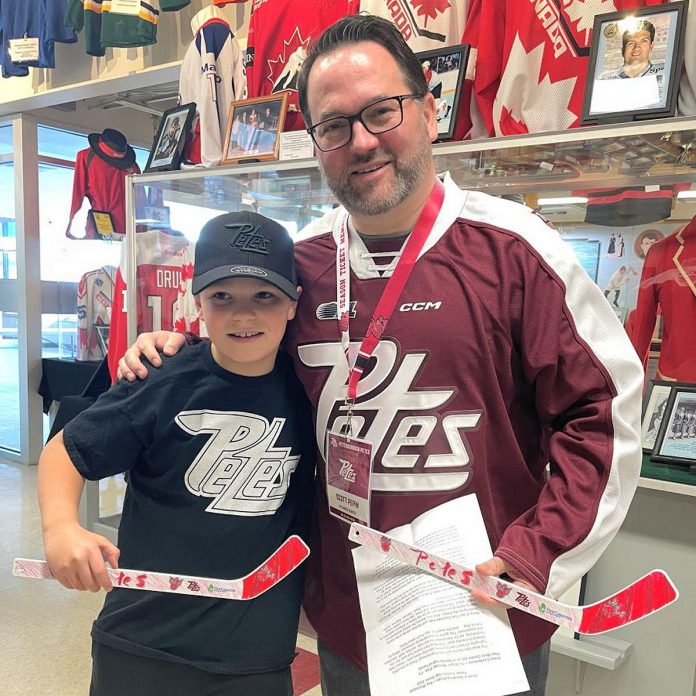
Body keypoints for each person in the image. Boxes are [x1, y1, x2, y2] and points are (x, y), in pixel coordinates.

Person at [118, 15, 645, 696]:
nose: (361, 141)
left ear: (429, 110)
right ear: (315, 144)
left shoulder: (516, 251)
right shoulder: (298, 266)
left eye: (381, 111)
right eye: (334, 126)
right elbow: (239, 364)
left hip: (485, 615)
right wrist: (175, 352)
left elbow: (601, 413)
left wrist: (535, 554)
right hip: (355, 624)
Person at [38, 211, 314, 696]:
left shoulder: (312, 387)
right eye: (222, 296)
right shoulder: (161, 381)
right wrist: (60, 526)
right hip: (143, 641)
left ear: (293, 304)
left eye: (264, 296)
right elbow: (67, 450)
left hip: (257, 655)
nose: (243, 314)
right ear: (198, 302)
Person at [599, 20, 664, 86]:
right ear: (623, 50)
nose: (637, 47)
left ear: (651, 46)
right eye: (631, 43)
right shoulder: (604, 81)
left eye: (644, 41)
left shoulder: (666, 73)